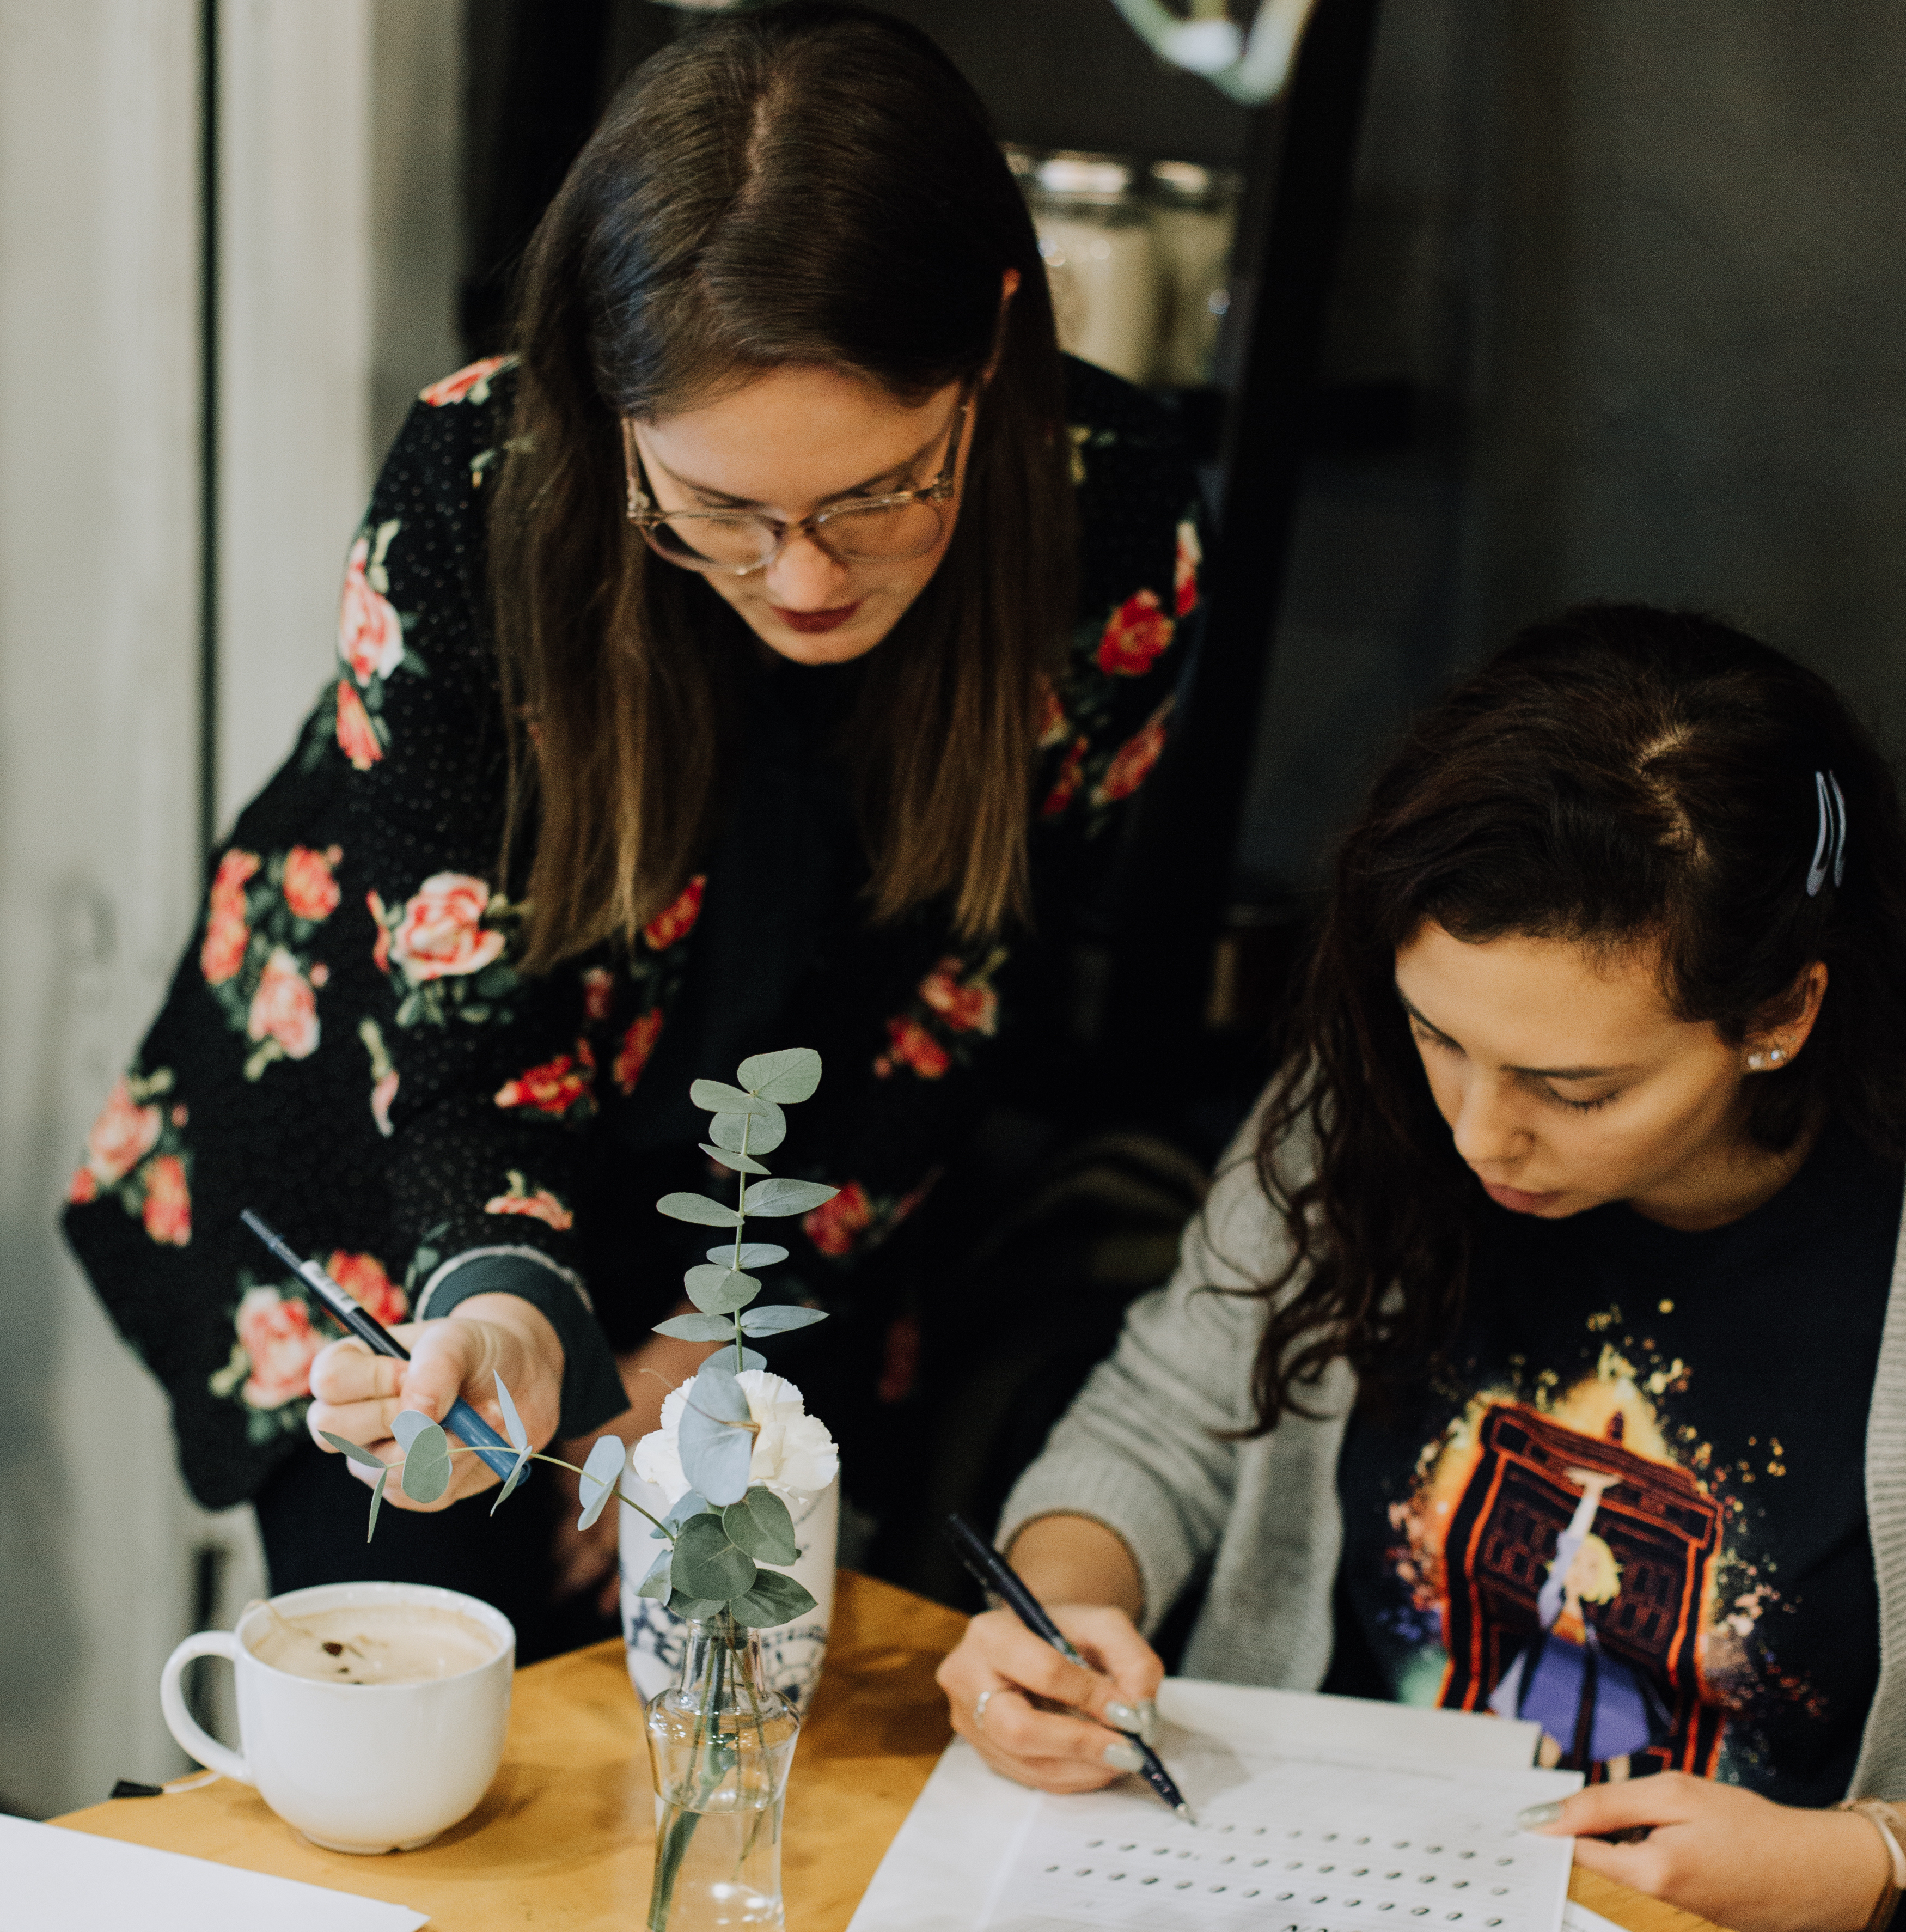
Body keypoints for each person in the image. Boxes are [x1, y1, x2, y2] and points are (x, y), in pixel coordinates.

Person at [63, 3, 1201, 1657]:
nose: (805, 576)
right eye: (722, 510)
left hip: (795, 1179)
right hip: (410, 1161)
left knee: (721, 1708)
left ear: (995, 334)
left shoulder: (1112, 512)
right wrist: (513, 1311)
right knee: (432, 1673)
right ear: (608, 399)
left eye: (883, 489)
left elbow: (963, 986)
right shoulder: (476, 485)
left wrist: (712, 1334)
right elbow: (456, 1019)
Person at [936, 605, 1906, 1930]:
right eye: (1435, 1036)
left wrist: (1866, 1859)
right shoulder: (1360, 1111)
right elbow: (1158, 1427)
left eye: (1576, 1088)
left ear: (1777, 1014)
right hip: (1288, 1875)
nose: (1475, 1131)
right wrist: (1055, 1621)